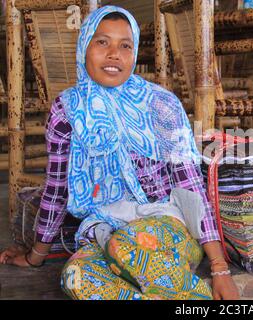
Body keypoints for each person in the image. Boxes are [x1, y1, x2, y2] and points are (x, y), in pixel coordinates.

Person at [0, 5, 239, 300]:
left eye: (125, 45)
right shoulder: (67, 111)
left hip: (168, 225)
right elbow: (57, 190)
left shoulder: (160, 104)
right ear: (84, 46)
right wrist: (35, 255)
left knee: (126, 244)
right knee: (76, 277)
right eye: (102, 42)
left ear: (135, 52)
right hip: (104, 228)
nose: (114, 54)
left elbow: (189, 184)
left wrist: (218, 267)